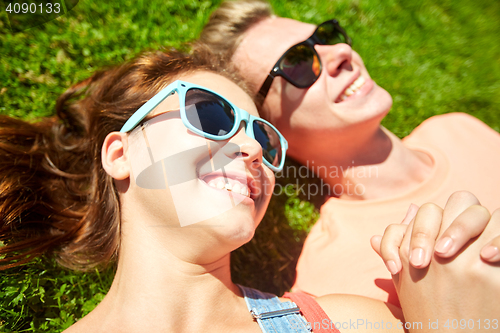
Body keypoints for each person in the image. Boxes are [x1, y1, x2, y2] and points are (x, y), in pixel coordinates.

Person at [1, 48, 498, 332]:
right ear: (120, 153)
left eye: (263, 134)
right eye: (211, 115)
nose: (252, 149)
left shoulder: (351, 322)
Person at [197, 0, 500, 305]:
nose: (341, 52)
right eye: (297, 62)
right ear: (266, 130)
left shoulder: (456, 127)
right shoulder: (332, 279)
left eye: (326, 37)